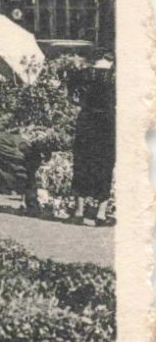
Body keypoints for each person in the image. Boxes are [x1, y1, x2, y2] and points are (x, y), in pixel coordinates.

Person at [70, 54, 115, 224]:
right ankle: (100, 214)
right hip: (107, 124)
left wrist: (83, 104)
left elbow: (72, 97)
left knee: (81, 164)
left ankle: (79, 212)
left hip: (86, 122)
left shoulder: (82, 74)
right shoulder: (115, 77)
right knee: (105, 165)